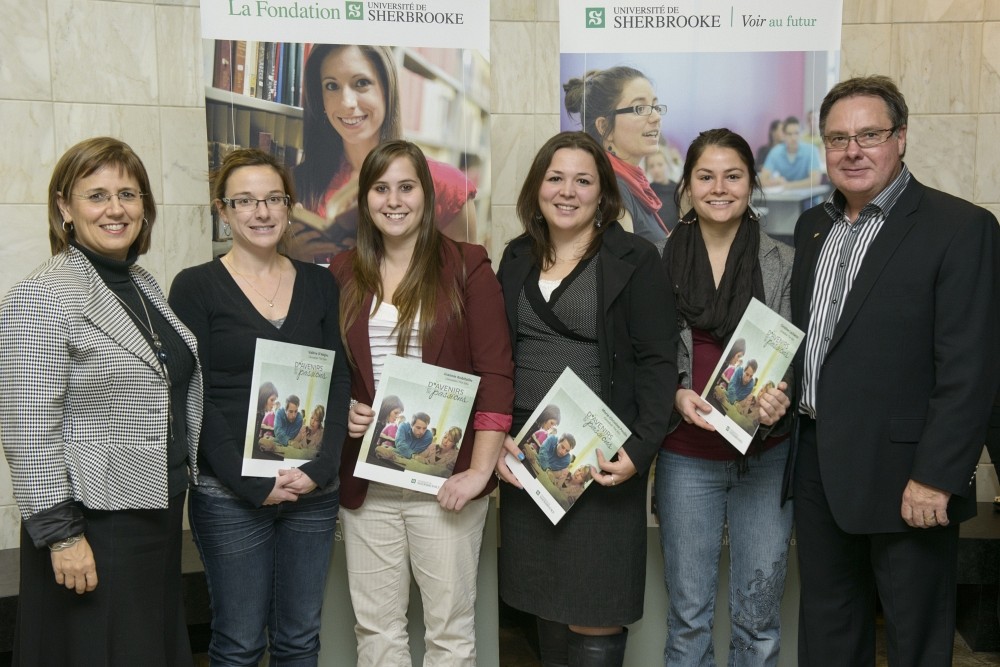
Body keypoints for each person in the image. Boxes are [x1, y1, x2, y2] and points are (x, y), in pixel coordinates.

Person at [790, 75, 1000, 666]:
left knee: (915, 639)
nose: (851, 150)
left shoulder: (960, 228)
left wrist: (938, 473)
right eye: (836, 138)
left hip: (910, 476)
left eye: (869, 134)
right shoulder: (814, 227)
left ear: (901, 138)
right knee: (828, 630)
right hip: (818, 466)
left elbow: (972, 366)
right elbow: (814, 344)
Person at [0, 137, 203, 666]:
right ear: (65, 207)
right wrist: (62, 536)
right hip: (93, 523)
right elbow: (28, 426)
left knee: (147, 649)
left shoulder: (141, 282)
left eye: (129, 194)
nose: (116, 209)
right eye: (97, 195)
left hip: (157, 509)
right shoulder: (42, 295)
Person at [495, 131, 678, 666]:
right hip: (528, 455)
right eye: (555, 178)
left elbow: (657, 361)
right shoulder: (516, 256)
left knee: (596, 603)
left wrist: (640, 451)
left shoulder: (635, 258)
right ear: (538, 187)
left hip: (602, 457)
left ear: (604, 192)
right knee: (545, 603)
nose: (567, 191)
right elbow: (499, 353)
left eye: (583, 180)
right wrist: (497, 435)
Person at [329, 139, 514, 666]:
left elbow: (496, 373)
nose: (394, 200)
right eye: (380, 188)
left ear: (427, 196)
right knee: (377, 632)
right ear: (364, 199)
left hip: (446, 484)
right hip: (368, 483)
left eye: (406, 187)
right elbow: (333, 369)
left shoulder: (467, 266)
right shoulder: (343, 271)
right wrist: (344, 408)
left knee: (450, 634)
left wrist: (479, 472)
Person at [169, 148, 351, 666]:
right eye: (244, 201)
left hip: (311, 490)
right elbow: (192, 394)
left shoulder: (319, 282)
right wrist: (250, 483)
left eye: (273, 198)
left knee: (300, 639)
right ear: (222, 211)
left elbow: (338, 381)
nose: (262, 211)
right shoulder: (194, 287)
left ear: (289, 207)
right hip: (229, 493)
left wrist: (318, 469)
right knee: (239, 642)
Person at [657, 128, 794, 666]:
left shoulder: (783, 261)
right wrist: (675, 393)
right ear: (687, 185)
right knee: (688, 618)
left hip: (766, 455)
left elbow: (798, 351)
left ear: (751, 183)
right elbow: (644, 354)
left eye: (733, 175)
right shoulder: (657, 259)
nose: (719, 187)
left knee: (758, 618)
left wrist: (783, 395)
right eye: (705, 176)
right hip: (686, 457)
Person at [292, 44, 476, 262]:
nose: (346, 103)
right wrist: (290, 258)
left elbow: (466, 286)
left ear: (387, 91)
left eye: (361, 83)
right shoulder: (299, 182)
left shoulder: (446, 186)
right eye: (331, 86)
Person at [563, 66, 671, 242]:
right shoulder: (612, 188)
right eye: (640, 108)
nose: (656, 117)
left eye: (655, 106)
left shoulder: (627, 183)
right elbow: (621, 267)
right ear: (605, 127)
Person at [760, 116, 823, 190]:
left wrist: (787, 185)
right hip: (786, 198)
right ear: (784, 135)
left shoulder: (811, 150)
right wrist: (774, 182)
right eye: (789, 134)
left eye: (796, 133)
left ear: (801, 133)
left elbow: (815, 181)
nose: (793, 138)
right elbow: (762, 180)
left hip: (809, 200)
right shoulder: (775, 152)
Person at [645, 147, 680, 232]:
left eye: (660, 164)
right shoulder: (646, 193)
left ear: (667, 164)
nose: (656, 170)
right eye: (651, 166)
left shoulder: (678, 190)